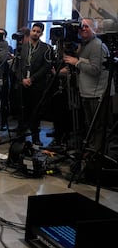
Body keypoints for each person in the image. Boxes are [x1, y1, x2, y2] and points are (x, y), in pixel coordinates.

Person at [63, 18, 112, 152]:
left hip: (98, 94)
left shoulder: (97, 45)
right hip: (87, 92)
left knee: (99, 127)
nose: (83, 29)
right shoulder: (83, 45)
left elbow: (96, 70)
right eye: (81, 26)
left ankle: (97, 156)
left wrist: (77, 62)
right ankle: (91, 153)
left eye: (87, 27)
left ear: (95, 29)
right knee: (90, 126)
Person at [17, 23, 53, 145]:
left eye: (38, 31)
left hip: (37, 84)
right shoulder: (22, 47)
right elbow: (17, 65)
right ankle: (21, 135)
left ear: (41, 33)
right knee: (22, 110)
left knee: (35, 112)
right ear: (31, 31)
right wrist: (22, 79)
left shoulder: (46, 48)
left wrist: (32, 78)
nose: (35, 33)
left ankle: (35, 137)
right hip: (23, 83)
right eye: (34, 30)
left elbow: (46, 67)